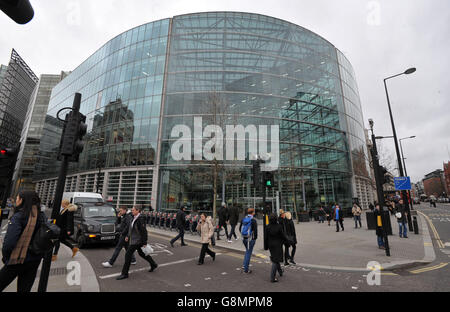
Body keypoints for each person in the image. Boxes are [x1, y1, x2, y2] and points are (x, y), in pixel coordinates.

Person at [0, 191, 46, 292]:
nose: (16, 201)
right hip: (34, 259)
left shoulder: (19, 216)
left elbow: (9, 243)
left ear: (22, 201)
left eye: (17, 199)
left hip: (16, 259)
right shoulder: (42, 216)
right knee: (24, 289)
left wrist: (6, 257)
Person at [116, 205, 157, 280]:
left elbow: (144, 232)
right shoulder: (133, 217)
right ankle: (153, 264)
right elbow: (130, 228)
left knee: (128, 255)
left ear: (138, 211)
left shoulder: (140, 219)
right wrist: (127, 235)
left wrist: (144, 242)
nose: (132, 211)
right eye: (132, 210)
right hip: (134, 239)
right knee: (142, 254)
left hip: (138, 241)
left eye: (133, 210)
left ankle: (125, 274)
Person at [264, 213, 288, 283]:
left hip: (271, 245)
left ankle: (280, 272)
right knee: (275, 260)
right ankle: (272, 277)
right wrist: (287, 242)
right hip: (278, 245)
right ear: (276, 219)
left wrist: (266, 247)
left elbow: (265, 238)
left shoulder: (267, 227)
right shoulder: (279, 226)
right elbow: (283, 236)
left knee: (275, 258)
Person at [239, 208, 258, 274]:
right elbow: (255, 231)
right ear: (252, 213)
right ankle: (246, 270)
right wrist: (254, 238)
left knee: (247, 251)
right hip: (250, 239)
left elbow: (239, 229)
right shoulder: (253, 220)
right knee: (248, 253)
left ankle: (244, 266)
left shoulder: (243, 219)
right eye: (254, 212)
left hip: (244, 238)